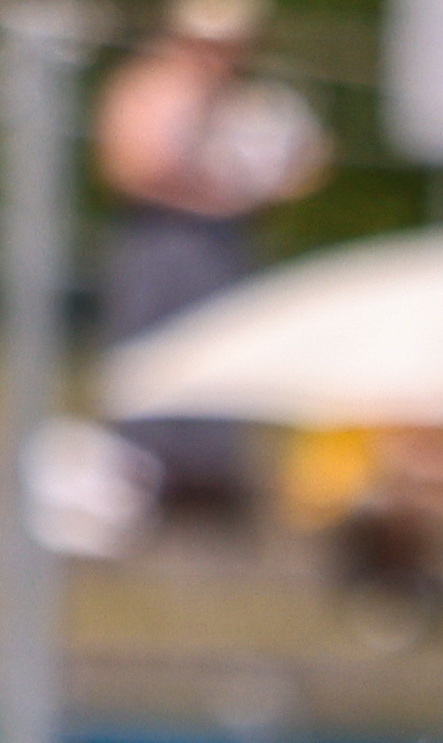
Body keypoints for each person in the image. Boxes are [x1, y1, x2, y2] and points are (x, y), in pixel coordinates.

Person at [99, 0, 332, 530]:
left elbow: (299, 164)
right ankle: (140, 477)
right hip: (160, 236)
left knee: (219, 350)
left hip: (224, 242)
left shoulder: (257, 104)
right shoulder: (149, 88)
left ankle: (204, 484)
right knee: (148, 350)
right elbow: (130, 165)